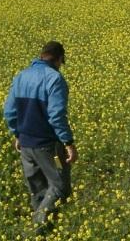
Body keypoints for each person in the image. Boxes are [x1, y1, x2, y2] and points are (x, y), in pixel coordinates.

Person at [4, 41, 78, 231]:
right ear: (59, 58)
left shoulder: (21, 76)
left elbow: (9, 111)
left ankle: (44, 237)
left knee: (38, 188)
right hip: (49, 146)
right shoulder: (54, 79)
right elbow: (56, 115)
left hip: (26, 145)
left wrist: (17, 134)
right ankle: (37, 228)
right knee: (60, 187)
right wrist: (68, 142)